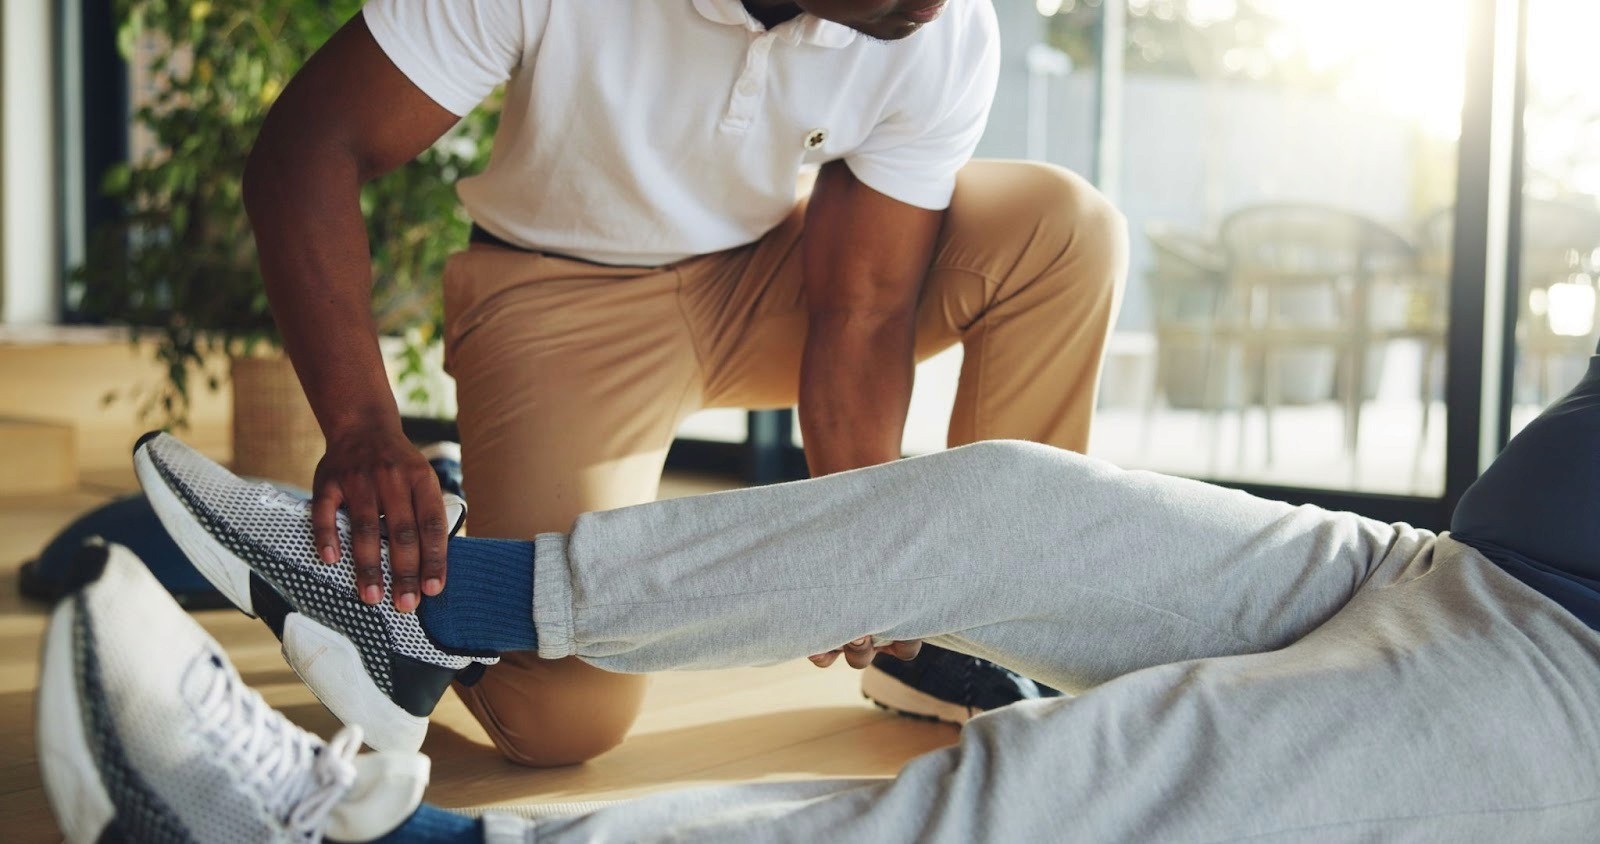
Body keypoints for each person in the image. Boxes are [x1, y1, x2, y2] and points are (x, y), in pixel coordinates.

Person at [80, 349, 1600, 841]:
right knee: (1003, 500)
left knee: (1080, 784)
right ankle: (443, 607)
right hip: (1453, 568)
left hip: (1568, 688)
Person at [242, 0, 1128, 761]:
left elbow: (860, 312)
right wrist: (361, 426)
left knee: (1063, 232)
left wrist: (876, 555)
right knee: (560, 723)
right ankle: (451, 503)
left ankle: (965, 640)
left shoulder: (932, 26)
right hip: (559, 296)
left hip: (767, 278)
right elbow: (309, 145)